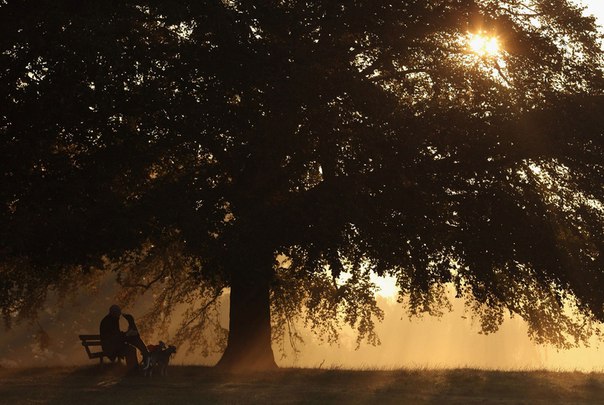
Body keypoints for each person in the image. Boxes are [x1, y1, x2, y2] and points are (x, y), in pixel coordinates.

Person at [99, 304, 149, 369]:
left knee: (133, 343)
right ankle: (133, 369)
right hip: (110, 347)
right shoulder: (108, 321)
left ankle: (141, 360)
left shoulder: (112, 319)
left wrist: (126, 334)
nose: (119, 315)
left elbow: (116, 335)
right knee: (130, 349)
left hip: (114, 344)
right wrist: (126, 334)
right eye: (118, 313)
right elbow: (113, 336)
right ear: (113, 313)